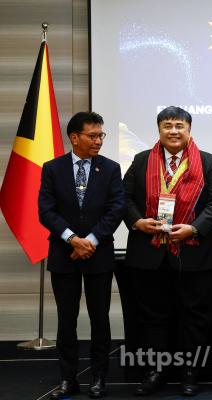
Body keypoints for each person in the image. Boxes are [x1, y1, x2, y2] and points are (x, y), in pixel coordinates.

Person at [123, 106, 212, 396]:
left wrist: (194, 228)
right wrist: (137, 221)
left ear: (189, 130)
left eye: (179, 126)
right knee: (153, 316)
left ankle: (190, 372)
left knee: (195, 316)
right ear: (158, 130)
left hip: (194, 253)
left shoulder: (208, 162)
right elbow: (123, 198)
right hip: (149, 253)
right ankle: (155, 370)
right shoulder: (141, 160)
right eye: (167, 125)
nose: (173, 131)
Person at [38, 112, 125, 399]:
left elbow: (116, 208)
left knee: (100, 318)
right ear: (74, 137)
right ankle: (68, 378)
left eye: (101, 135)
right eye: (92, 135)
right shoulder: (52, 168)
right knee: (67, 319)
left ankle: (99, 377)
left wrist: (91, 240)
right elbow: (46, 211)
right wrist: (72, 239)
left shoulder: (110, 169)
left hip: (99, 254)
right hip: (64, 255)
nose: (98, 141)